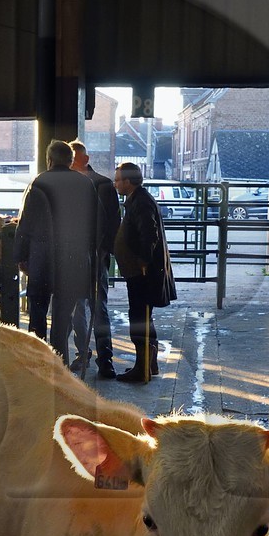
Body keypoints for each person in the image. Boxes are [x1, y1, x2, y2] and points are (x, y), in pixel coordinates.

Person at [15, 140, 98, 365]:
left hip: (43, 259)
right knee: (62, 321)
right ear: (71, 161)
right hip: (73, 261)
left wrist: (21, 256)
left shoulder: (39, 183)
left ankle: (39, 364)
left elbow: (26, 223)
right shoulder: (85, 184)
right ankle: (60, 366)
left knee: (38, 315)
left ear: (49, 160)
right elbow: (95, 225)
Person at [112, 162, 176, 383]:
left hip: (142, 273)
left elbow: (149, 233)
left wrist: (142, 261)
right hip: (140, 271)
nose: (115, 184)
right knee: (144, 317)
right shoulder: (138, 199)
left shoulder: (140, 202)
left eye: (118, 180)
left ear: (128, 181)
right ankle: (149, 364)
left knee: (139, 317)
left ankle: (142, 368)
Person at [68, 140, 120, 379]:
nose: (70, 165)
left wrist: (104, 250)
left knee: (91, 307)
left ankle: (98, 357)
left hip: (92, 255)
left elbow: (113, 223)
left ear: (85, 160)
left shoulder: (102, 185)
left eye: (73, 160)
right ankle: (96, 356)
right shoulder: (103, 184)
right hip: (90, 254)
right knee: (88, 307)